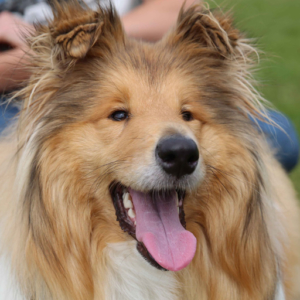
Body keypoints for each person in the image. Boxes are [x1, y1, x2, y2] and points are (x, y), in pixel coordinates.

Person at [0, 0, 298, 172]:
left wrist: (108, 42)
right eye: (119, 115)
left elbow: (183, 7)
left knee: (275, 137)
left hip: (149, 74)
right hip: (17, 96)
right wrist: (43, 63)